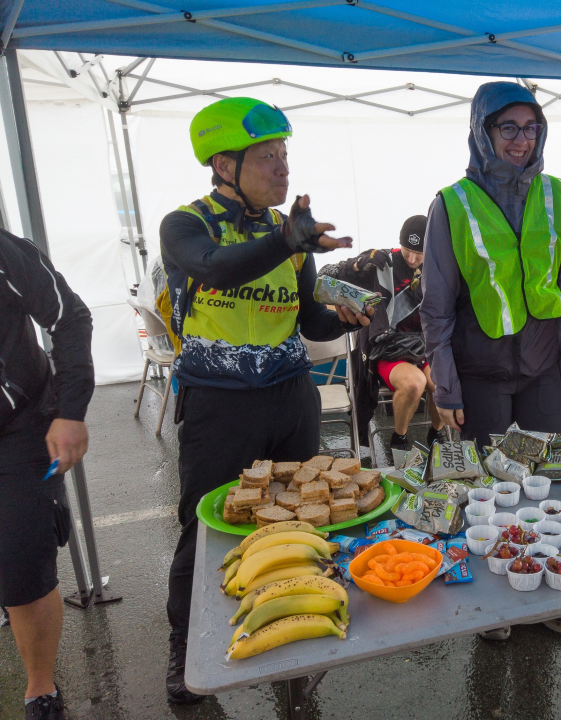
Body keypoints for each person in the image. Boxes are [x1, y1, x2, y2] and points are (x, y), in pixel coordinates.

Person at [159, 97, 373, 703]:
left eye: (285, 155)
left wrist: (345, 316)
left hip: (290, 399)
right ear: (224, 165)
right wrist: (287, 238)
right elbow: (217, 269)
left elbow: (308, 319)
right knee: (203, 532)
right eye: (267, 157)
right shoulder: (186, 224)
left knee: (302, 525)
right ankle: (185, 652)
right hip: (218, 405)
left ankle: (293, 655)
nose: (282, 168)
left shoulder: (290, 235)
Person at [421, 81, 561, 639]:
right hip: (481, 373)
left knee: (545, 484)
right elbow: (435, 306)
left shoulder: (556, 192)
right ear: (482, 132)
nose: (521, 139)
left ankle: (545, 587)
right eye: (507, 127)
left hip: (540, 370)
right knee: (489, 491)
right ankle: (496, 604)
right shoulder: (453, 202)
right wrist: (446, 389)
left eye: (530, 127)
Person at [0, 230, 94, 720]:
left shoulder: (4, 252)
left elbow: (69, 317)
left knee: (21, 560)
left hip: (18, 427)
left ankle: (40, 689)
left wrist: (70, 408)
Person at [328, 215, 443, 451]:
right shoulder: (381, 262)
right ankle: (399, 439)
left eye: (419, 253)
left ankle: (436, 434)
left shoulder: (437, 268)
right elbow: (327, 277)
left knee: (445, 382)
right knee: (415, 383)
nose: (411, 258)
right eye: (407, 249)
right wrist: (358, 264)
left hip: (424, 349)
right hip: (387, 351)